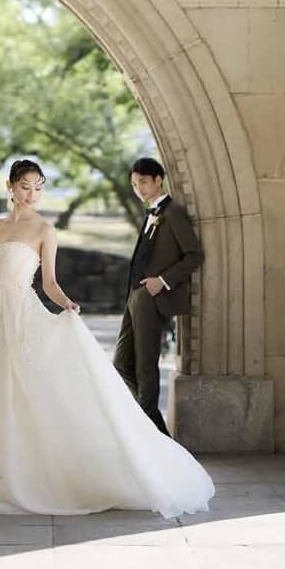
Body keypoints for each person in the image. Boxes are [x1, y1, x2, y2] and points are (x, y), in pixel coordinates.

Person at [0, 158, 213, 518]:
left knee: (26, 388)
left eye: (38, 187)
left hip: (20, 313)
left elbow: (48, 283)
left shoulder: (45, 229)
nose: (32, 195)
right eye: (26, 187)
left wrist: (67, 305)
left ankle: (30, 474)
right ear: (10, 188)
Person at [114, 157, 204, 434]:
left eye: (142, 181)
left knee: (145, 365)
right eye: (133, 184)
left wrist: (162, 281)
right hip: (135, 297)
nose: (138, 188)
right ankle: (152, 425)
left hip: (152, 297)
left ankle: (153, 436)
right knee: (121, 363)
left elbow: (194, 255)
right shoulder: (151, 212)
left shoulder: (173, 212)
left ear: (157, 180)